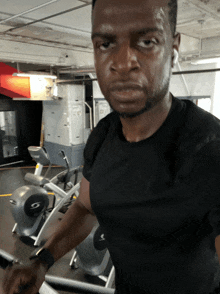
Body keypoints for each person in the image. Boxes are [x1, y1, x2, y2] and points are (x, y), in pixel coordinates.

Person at [3, 0, 220, 293]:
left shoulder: (209, 148)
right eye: (105, 43)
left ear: (173, 49)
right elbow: (84, 207)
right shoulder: (103, 135)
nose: (122, 62)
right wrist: (42, 260)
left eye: (146, 41)